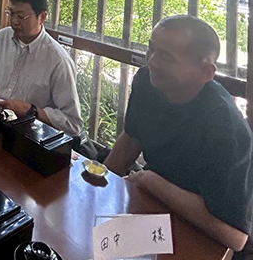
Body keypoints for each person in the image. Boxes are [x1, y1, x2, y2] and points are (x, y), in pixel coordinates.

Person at [104, 15, 253, 257]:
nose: (152, 61)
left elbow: (234, 237)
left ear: (206, 72)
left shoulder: (226, 126)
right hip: (152, 213)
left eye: (165, 56)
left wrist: (150, 181)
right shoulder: (146, 83)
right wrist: (100, 183)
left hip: (204, 240)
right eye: (151, 48)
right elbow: (132, 139)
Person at [0, 0, 95, 157]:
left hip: (31, 142)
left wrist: (31, 111)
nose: (14, 21)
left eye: (22, 16)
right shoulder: (2, 38)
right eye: (11, 13)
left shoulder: (58, 60)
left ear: (42, 17)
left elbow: (72, 123)